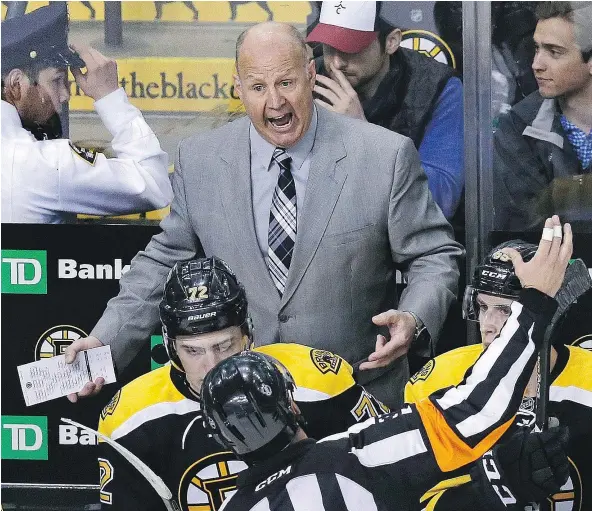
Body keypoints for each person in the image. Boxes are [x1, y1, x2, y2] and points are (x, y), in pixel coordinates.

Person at [66, 21, 463, 409]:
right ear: (238, 88)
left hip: (353, 403)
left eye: (286, 82)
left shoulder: (384, 155)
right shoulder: (201, 159)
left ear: (311, 74)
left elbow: (433, 256)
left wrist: (414, 316)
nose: (275, 102)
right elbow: (163, 262)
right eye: (258, 87)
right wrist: (105, 342)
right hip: (241, 408)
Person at [201, 217, 573, 510]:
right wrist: (536, 302)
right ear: (293, 405)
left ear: (220, 440)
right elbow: (473, 413)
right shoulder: (353, 455)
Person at [97, 256, 388, 511]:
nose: (212, 366)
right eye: (193, 351)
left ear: (248, 333)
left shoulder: (318, 381)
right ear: (172, 347)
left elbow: (387, 470)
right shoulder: (130, 419)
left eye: (224, 346)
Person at [404, 234, 592, 510]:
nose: (487, 325)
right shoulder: (435, 381)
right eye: (482, 307)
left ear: (546, 313)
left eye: (505, 310)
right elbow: (413, 496)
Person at [1, 3, 173, 224]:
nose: (65, 95)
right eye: (57, 80)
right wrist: (110, 96)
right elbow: (154, 185)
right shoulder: (43, 165)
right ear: (16, 84)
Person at [306, 1, 464, 220]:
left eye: (350, 48)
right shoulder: (310, 79)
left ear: (391, 42)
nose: (337, 62)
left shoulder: (437, 87)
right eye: (329, 47)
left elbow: (441, 199)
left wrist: (362, 135)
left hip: (406, 244)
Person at [494, 2, 592, 231]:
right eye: (537, 48)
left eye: (554, 52)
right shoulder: (517, 126)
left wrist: (564, 194)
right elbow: (525, 224)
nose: (536, 64)